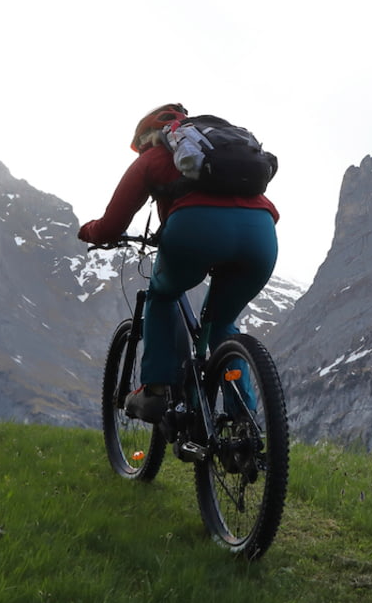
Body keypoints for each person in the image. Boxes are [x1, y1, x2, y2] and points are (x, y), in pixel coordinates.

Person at [78, 103, 280, 421]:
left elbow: (112, 224)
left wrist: (89, 232)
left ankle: (156, 392)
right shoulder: (222, 151)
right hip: (261, 235)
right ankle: (242, 420)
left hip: (196, 230)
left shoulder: (155, 155)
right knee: (222, 323)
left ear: (146, 135)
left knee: (162, 295)